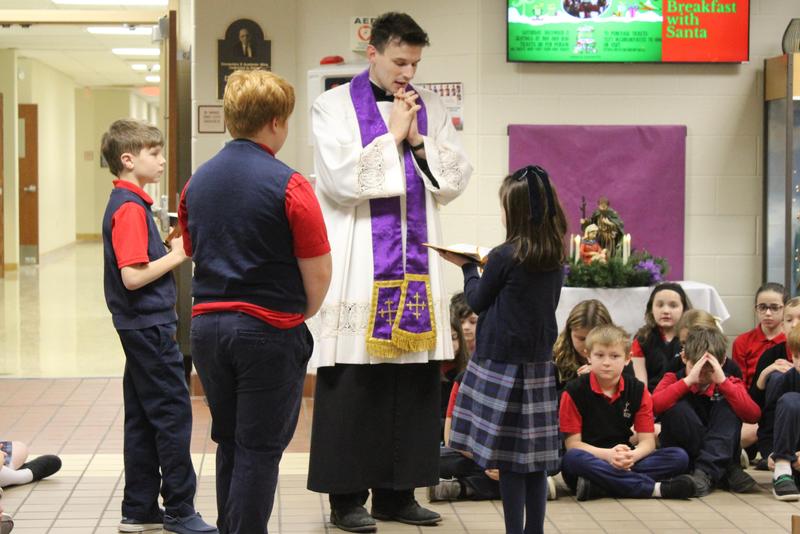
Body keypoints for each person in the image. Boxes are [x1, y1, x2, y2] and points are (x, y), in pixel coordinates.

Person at [307, 12, 472, 533]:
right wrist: (391, 136)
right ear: (373, 52)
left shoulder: (431, 106)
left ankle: (398, 494)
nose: (408, 72)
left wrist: (418, 140)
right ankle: (346, 499)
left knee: (413, 382)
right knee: (356, 383)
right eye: (399, 61)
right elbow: (338, 181)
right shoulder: (333, 106)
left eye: (415, 63)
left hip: (417, 265)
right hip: (360, 265)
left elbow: (454, 178)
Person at [178, 70, 331, 534]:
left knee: (230, 440)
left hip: (208, 329)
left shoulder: (196, 184)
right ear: (277, 121)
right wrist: (297, 314)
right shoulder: (290, 185)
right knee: (260, 449)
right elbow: (318, 272)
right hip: (267, 330)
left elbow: (191, 248)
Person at [100, 119, 215, 534]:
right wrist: (179, 254)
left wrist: (162, 246)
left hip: (137, 325)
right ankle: (180, 509)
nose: (162, 160)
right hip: (150, 326)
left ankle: (139, 508)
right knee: (171, 415)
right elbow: (133, 276)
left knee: (143, 417)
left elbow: (136, 261)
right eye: (154, 153)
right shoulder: (130, 208)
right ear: (128, 160)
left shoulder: (127, 203)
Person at [445, 164, 565, 534]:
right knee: (534, 462)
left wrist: (468, 267)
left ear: (516, 213)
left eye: (503, 207)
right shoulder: (554, 255)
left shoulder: (503, 255)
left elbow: (477, 301)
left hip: (501, 365)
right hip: (538, 364)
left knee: (509, 461)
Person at [559, 325, 694, 501]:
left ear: (628, 358)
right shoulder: (573, 391)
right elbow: (573, 445)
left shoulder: (637, 389)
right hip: (591, 458)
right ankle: (654, 489)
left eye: (615, 356)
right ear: (588, 356)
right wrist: (608, 456)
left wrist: (632, 456)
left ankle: (599, 486)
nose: (606, 362)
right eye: (599, 355)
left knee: (679, 457)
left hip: (625, 459)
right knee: (572, 458)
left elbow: (647, 442)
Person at [653, 326, 761, 497]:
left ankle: (706, 472)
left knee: (729, 406)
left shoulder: (730, 382)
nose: (702, 373)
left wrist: (723, 382)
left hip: (713, 453)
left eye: (709, 367)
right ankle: (725, 470)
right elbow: (654, 406)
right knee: (676, 407)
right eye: (696, 366)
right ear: (684, 357)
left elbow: (753, 415)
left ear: (722, 362)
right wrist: (688, 381)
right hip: (686, 458)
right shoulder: (672, 378)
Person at [428, 314, 501, 503]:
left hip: (506, 454)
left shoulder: (515, 380)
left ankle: (462, 488)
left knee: (551, 461)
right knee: (431, 460)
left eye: (454, 338)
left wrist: (502, 461)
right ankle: (522, 484)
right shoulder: (464, 379)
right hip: (469, 452)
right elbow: (452, 437)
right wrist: (487, 461)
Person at [750, 297, 800, 468]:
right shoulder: (771, 355)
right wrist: (765, 373)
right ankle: (781, 459)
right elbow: (760, 412)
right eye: (789, 320)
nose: (795, 324)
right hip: (781, 438)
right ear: (782, 326)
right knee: (778, 379)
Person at [553, 299, 625, 394]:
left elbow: (631, 395)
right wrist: (581, 383)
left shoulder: (621, 355)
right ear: (569, 333)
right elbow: (551, 399)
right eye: (581, 339)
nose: (587, 345)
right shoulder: (556, 359)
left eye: (595, 340)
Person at [631, 282, 691, 392]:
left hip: (684, 395)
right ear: (651, 309)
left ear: (684, 309)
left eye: (673, 305)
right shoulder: (642, 339)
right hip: (651, 396)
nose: (666, 311)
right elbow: (641, 385)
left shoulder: (692, 337)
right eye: (660, 305)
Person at [763, 325, 800, 500]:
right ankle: (782, 471)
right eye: (797, 357)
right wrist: (771, 453)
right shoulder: (785, 381)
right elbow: (767, 427)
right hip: (792, 459)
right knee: (790, 400)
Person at [733, 283, 787, 390]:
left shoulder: (792, 340)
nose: (768, 313)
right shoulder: (742, 341)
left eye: (774, 307)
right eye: (762, 307)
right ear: (756, 309)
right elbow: (739, 383)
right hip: (751, 396)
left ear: (785, 309)